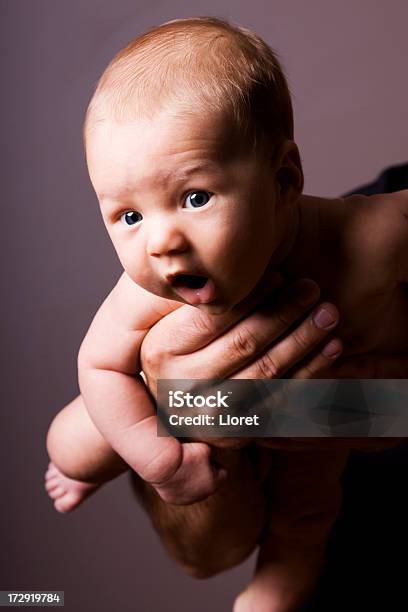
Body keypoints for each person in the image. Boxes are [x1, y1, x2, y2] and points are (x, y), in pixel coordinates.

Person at [44, 17, 408, 612]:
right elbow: (100, 367)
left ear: (284, 179)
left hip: (327, 427)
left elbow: (369, 416)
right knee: (76, 441)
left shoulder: (374, 235)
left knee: (307, 510)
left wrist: (361, 412)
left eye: (194, 198)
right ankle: (98, 456)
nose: (160, 242)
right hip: (189, 410)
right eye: (128, 216)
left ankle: (277, 588)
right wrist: (165, 464)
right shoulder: (147, 294)